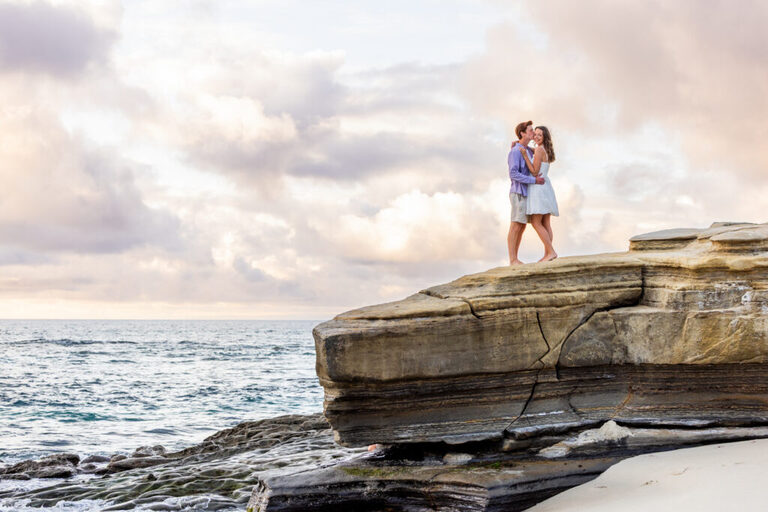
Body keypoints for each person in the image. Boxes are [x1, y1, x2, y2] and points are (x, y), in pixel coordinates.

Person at [507, 121, 546, 265]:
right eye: (530, 130)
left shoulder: (526, 150)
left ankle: (515, 258)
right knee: (516, 225)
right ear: (522, 133)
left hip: (524, 192)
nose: (533, 133)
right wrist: (534, 180)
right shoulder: (516, 151)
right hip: (518, 192)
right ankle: (513, 259)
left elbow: (536, 152)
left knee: (521, 226)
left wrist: (519, 143)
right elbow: (513, 174)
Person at [519, 125, 559, 262]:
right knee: (546, 222)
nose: (536, 136)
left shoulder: (539, 150)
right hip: (546, 187)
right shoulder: (544, 149)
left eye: (539, 135)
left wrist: (525, 156)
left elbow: (535, 172)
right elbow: (535, 150)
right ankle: (548, 253)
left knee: (536, 222)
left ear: (544, 138)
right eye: (535, 134)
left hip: (538, 188)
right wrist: (526, 148)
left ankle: (551, 252)